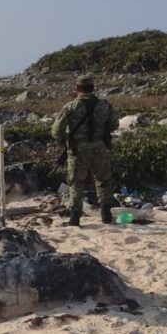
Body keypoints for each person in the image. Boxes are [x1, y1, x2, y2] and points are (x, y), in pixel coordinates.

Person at [51, 75, 119, 226]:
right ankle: (106, 215)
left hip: (78, 150)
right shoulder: (104, 105)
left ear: (77, 89)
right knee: (103, 181)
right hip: (100, 147)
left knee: (76, 183)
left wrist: (65, 142)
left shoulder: (70, 106)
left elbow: (56, 131)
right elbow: (115, 124)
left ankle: (74, 218)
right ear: (93, 88)